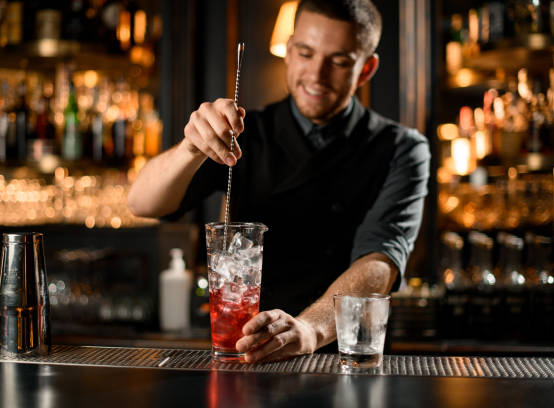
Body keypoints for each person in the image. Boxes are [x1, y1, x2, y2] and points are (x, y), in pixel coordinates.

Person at [128, 0, 430, 362]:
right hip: (250, 354)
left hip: (347, 358)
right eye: (305, 52)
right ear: (288, 51)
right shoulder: (245, 133)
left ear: (366, 69)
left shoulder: (402, 149)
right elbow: (142, 203)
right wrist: (190, 148)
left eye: (338, 61)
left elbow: (380, 261)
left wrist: (310, 329)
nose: (316, 75)